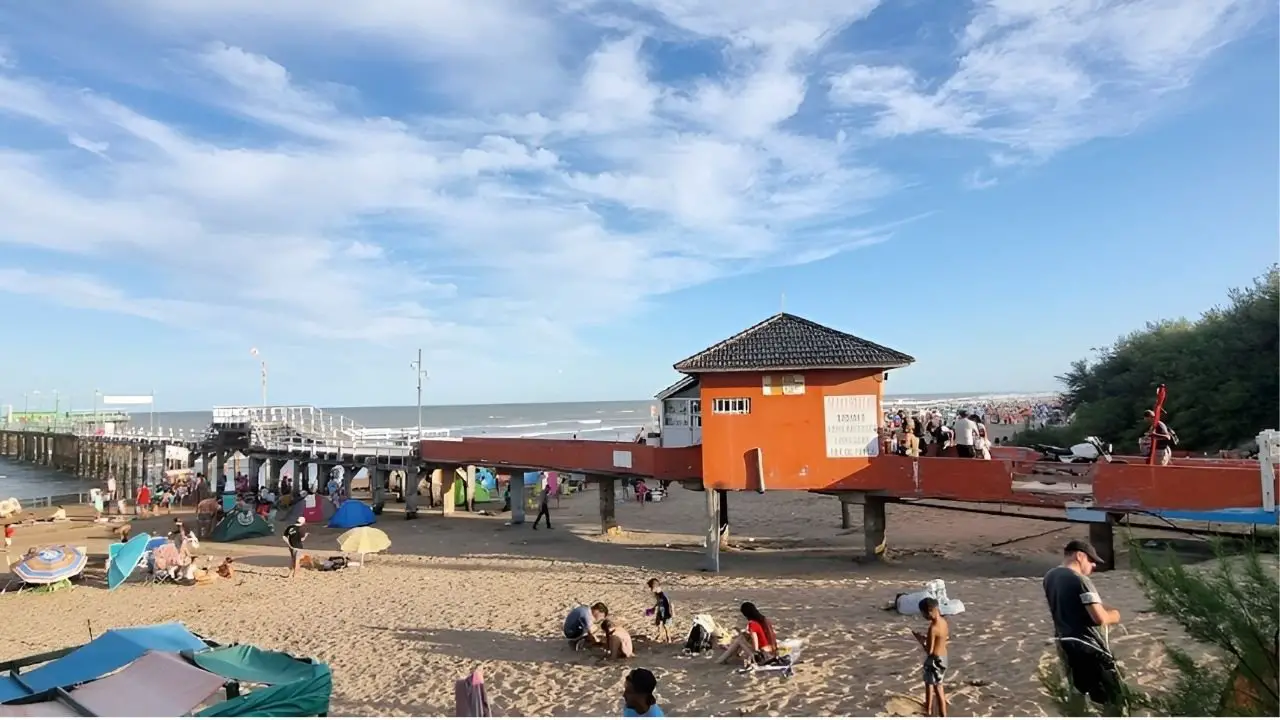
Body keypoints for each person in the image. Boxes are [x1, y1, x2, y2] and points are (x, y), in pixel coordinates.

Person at [1044, 540, 1125, 711]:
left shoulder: (1050, 576)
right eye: (1091, 560)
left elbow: (1074, 605)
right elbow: (1099, 618)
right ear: (1079, 556)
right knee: (1113, 700)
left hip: (1065, 644)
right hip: (1089, 648)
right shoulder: (1080, 580)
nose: (1094, 565)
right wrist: (1115, 615)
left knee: (1082, 693)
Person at [914, 597, 949, 716]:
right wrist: (926, 639)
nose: (923, 616)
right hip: (943, 658)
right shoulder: (943, 622)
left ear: (929, 612)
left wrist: (921, 641)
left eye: (923, 613)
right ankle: (934, 711)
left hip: (934, 660)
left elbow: (929, 651)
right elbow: (941, 640)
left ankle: (935, 713)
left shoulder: (932, 628)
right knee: (934, 684)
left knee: (935, 687)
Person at [715, 602, 777, 668]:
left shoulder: (752, 624)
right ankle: (731, 653)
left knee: (740, 640)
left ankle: (721, 659)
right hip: (772, 651)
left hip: (763, 656)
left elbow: (755, 645)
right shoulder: (763, 620)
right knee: (742, 638)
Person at [646, 578, 674, 642]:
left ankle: (669, 640)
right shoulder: (657, 594)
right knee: (658, 623)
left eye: (651, 588)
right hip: (661, 611)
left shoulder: (663, 595)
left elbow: (671, 604)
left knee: (666, 626)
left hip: (666, 612)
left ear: (655, 587)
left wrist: (672, 612)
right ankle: (660, 635)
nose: (650, 590)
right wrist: (654, 607)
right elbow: (659, 602)